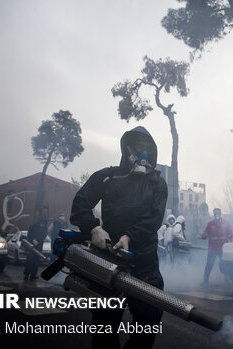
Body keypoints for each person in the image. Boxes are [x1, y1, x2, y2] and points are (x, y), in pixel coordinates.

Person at [70, 126, 167, 349]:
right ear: (126, 148)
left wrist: (129, 237)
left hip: (144, 264)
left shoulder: (157, 183)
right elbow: (80, 205)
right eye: (139, 147)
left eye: (148, 148)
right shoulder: (107, 177)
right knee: (104, 328)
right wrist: (94, 229)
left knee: (148, 324)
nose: (144, 153)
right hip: (108, 261)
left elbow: (154, 220)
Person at [199, 208, 233, 288]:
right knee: (209, 265)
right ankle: (205, 282)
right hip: (212, 249)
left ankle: (226, 282)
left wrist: (232, 243)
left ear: (220, 214)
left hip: (222, 249)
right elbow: (205, 234)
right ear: (213, 214)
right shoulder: (210, 224)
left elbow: (231, 235)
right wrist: (201, 236)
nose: (216, 215)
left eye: (218, 214)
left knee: (225, 265)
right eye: (215, 214)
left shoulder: (226, 223)